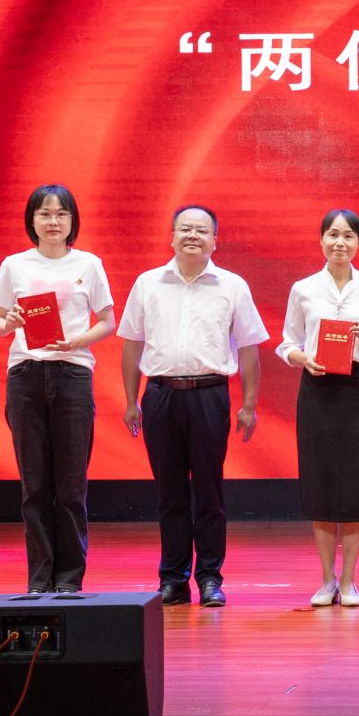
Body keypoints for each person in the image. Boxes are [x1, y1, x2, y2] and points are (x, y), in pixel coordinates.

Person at [117, 204, 268, 606]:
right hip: (161, 395)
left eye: (202, 230)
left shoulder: (232, 286)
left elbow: (249, 348)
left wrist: (249, 405)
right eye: (185, 229)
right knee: (169, 493)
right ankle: (173, 578)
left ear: (215, 240)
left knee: (209, 492)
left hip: (209, 395)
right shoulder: (148, 283)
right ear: (171, 237)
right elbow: (132, 344)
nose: (192, 236)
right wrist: (131, 400)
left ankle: (210, 578)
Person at [0, 184, 116, 594]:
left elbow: (108, 322)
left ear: (73, 220)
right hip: (26, 375)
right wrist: (11, 322)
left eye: (61, 214)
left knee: (71, 486)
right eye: (44, 213)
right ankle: (39, 579)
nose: (53, 221)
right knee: (35, 485)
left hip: (73, 374)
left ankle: (69, 579)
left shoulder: (89, 264)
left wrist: (77, 341)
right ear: (32, 220)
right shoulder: (14, 265)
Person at [275, 209, 359, 608]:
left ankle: (349, 580)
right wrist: (303, 358)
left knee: (358, 483)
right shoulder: (304, 289)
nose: (339, 242)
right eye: (332, 234)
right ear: (321, 240)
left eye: (348, 236)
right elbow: (286, 343)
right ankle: (326, 579)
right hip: (318, 388)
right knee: (322, 481)